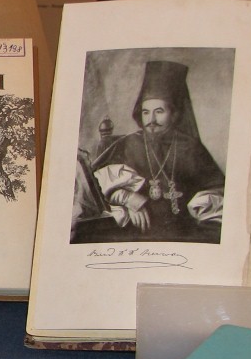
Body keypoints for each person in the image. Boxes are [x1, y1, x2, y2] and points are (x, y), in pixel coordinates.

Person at [90, 59, 224, 242]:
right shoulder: (128, 144)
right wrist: (128, 199)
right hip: (135, 231)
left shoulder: (191, 147)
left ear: (174, 114)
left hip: (185, 231)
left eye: (159, 111)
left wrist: (201, 205)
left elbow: (216, 189)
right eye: (146, 112)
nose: (151, 119)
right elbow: (96, 186)